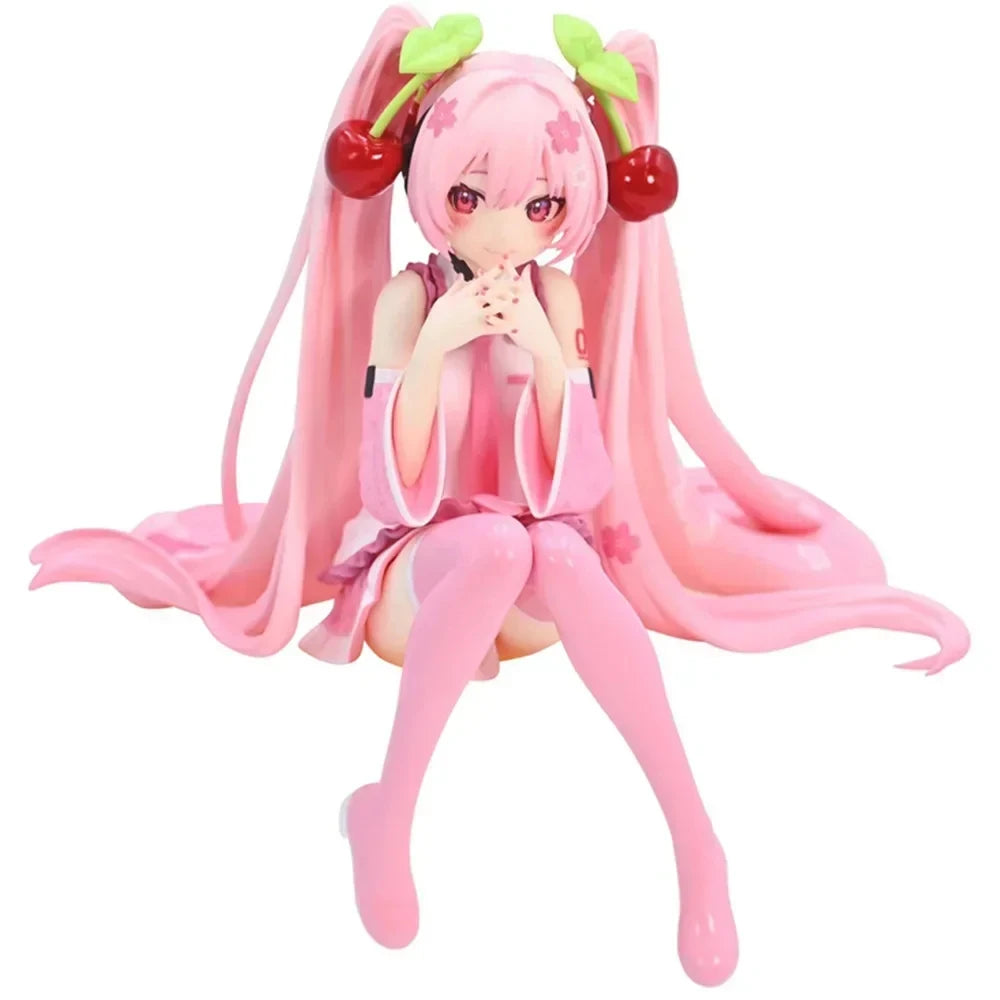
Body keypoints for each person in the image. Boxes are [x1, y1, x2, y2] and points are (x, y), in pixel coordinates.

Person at [28, 7, 970, 987]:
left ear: (571, 209)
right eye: (469, 195)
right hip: (421, 580)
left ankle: (698, 842)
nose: (502, 227)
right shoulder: (406, 300)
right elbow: (389, 488)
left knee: (548, 545)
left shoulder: (557, 300)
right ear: (430, 187)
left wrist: (549, 362)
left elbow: (582, 487)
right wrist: (437, 343)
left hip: (532, 594)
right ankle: (390, 811)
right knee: (490, 543)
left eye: (539, 206)